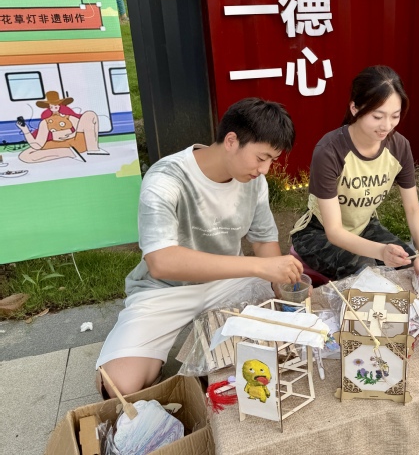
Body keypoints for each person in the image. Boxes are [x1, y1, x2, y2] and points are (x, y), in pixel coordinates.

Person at [96, 98, 302, 396]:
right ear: (231, 141)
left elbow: (263, 241)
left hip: (229, 284)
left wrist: (281, 284)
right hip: (165, 290)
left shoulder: (254, 182)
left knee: (274, 352)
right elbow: (161, 262)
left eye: (272, 160)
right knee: (118, 386)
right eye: (261, 158)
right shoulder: (167, 178)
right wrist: (261, 267)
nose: (265, 169)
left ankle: (211, 346)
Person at [291, 66, 419, 288]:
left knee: (414, 266)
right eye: (377, 116)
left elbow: (412, 208)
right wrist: (381, 251)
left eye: (395, 116)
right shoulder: (329, 151)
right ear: (355, 108)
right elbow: (334, 232)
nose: (386, 126)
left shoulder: (399, 146)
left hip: (363, 226)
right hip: (318, 233)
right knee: (368, 273)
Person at [16, 91, 107, 163]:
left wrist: (70, 134)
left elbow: (79, 128)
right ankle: (68, 153)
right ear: (49, 107)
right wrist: (25, 130)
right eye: (52, 105)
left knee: (89, 114)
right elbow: (38, 145)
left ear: (60, 105)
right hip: (58, 146)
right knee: (24, 156)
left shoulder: (68, 117)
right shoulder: (44, 122)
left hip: (76, 142)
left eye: (56, 104)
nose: (54, 107)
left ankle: (93, 149)